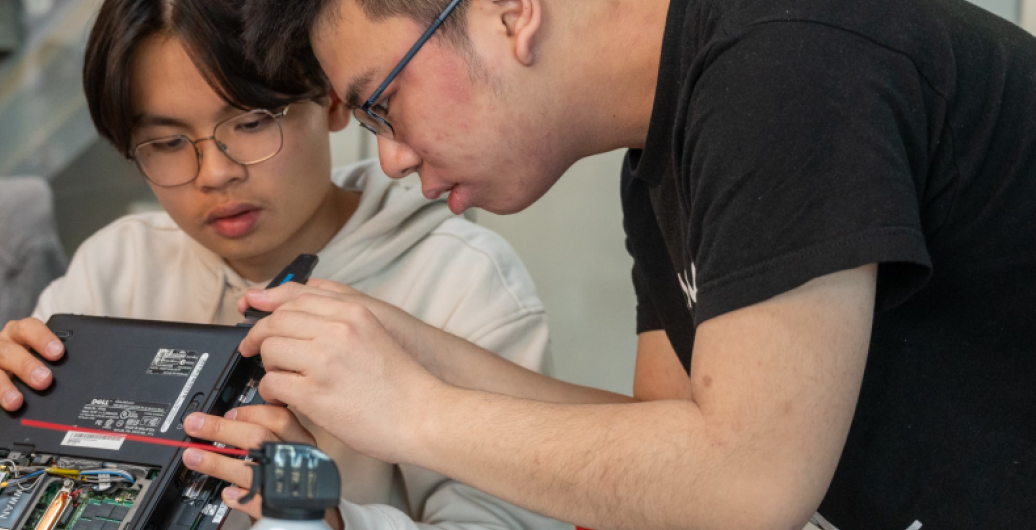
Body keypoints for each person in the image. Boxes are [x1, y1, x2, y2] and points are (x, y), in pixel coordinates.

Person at [231, 0, 1036, 528]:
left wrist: (409, 411)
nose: (391, 157)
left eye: (381, 101)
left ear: (510, 11)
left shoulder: (785, 65)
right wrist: (410, 348)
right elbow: (664, 458)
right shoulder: (660, 151)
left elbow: (746, 487)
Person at [0, 0, 586, 528]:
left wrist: (320, 514)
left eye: (250, 123)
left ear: (333, 100)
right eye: (165, 142)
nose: (213, 173)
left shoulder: (460, 281)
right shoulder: (121, 264)